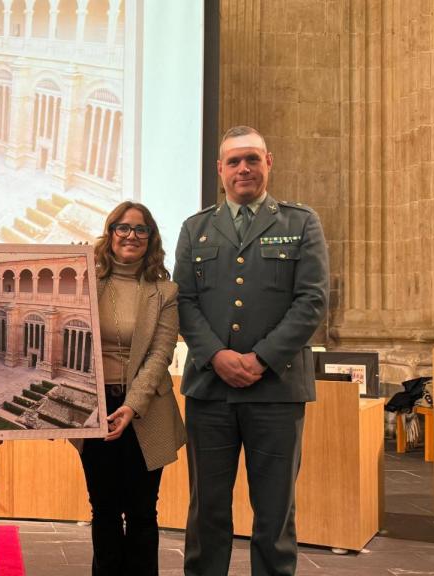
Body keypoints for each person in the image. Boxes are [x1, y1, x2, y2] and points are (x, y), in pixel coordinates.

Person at [173, 126, 329, 576]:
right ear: (219, 169)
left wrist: (261, 359)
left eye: (253, 159)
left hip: (276, 391)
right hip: (210, 390)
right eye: (234, 161)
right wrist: (216, 355)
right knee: (208, 514)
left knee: (275, 516)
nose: (244, 168)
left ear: (268, 163)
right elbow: (182, 299)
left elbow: (312, 300)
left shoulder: (301, 223)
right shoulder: (196, 228)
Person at [74, 201, 186, 576]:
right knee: (103, 509)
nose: (131, 236)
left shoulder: (165, 292)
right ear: (110, 233)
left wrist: (132, 405)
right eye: (123, 227)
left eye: (140, 229)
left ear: (151, 238)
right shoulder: (85, 280)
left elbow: (160, 353)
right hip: (96, 406)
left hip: (145, 409)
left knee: (141, 511)